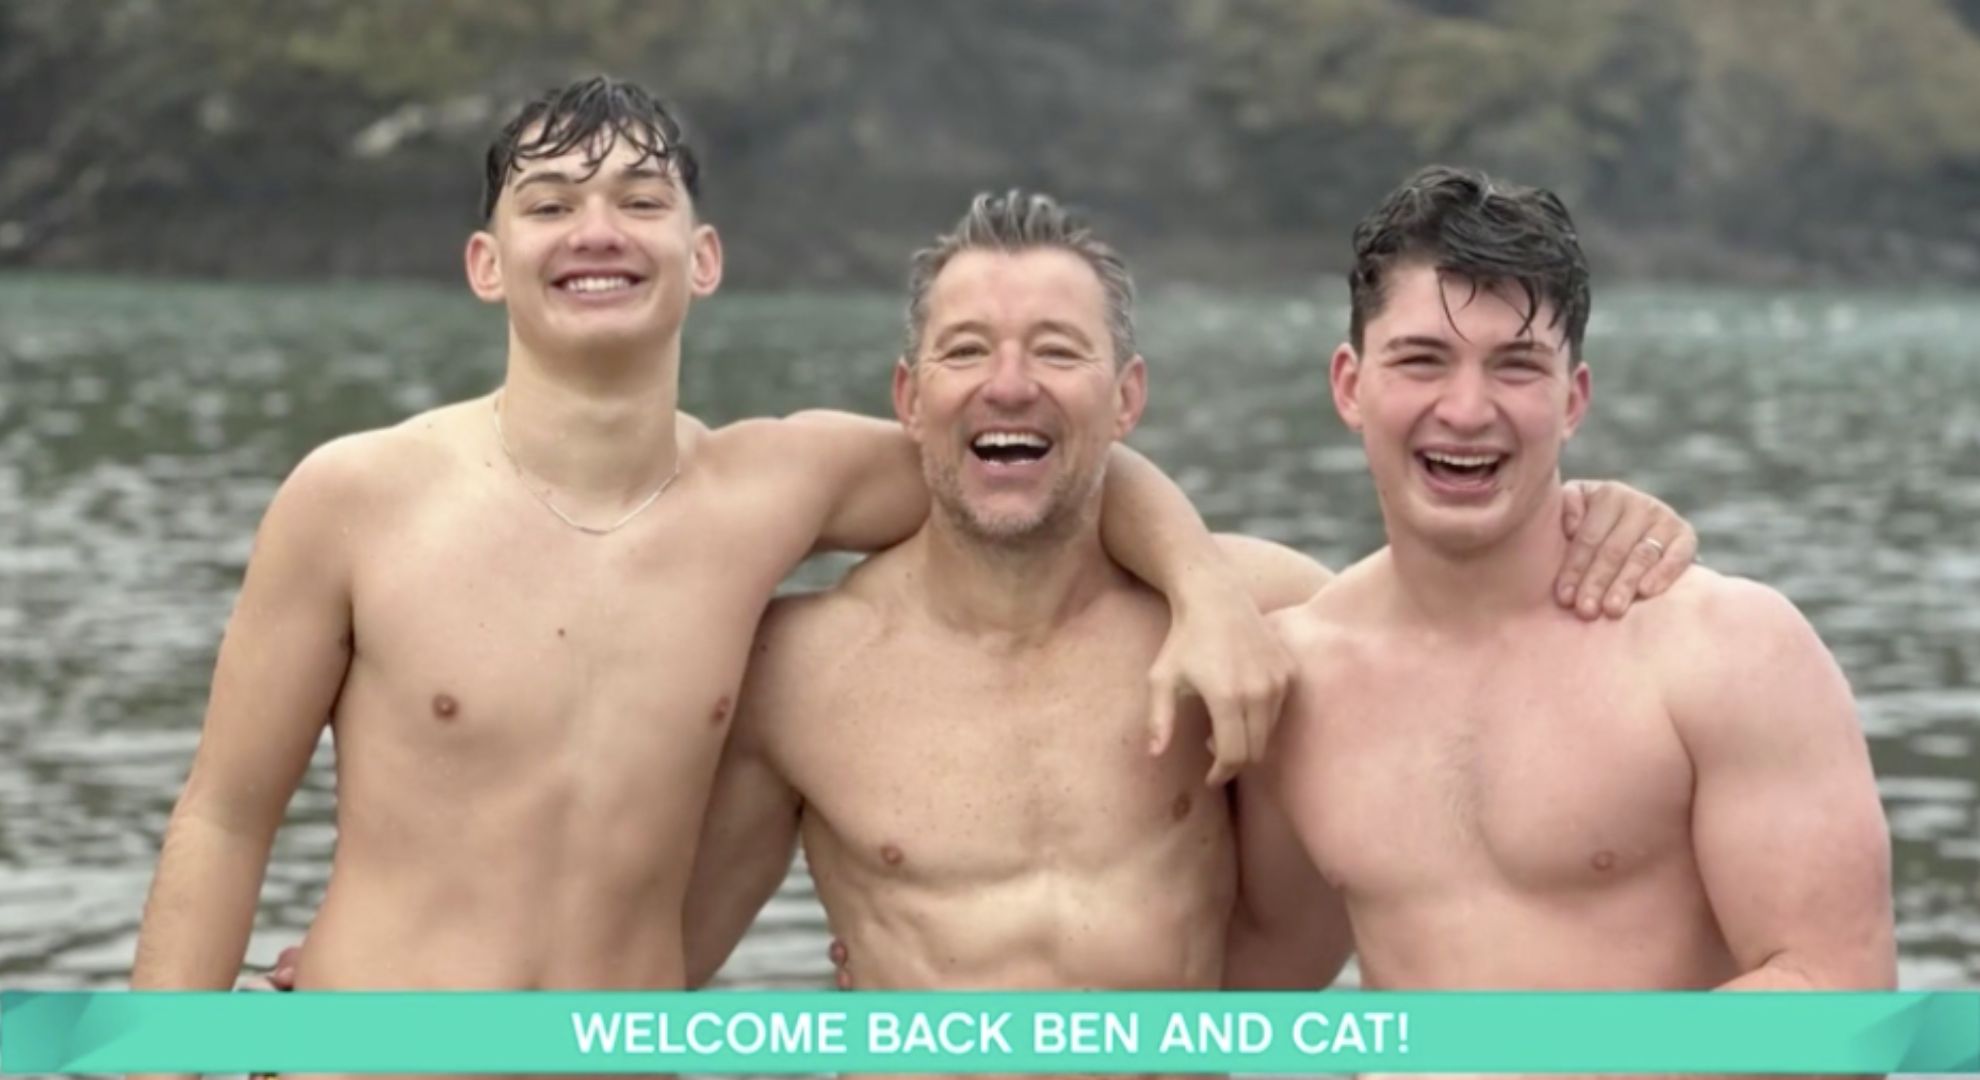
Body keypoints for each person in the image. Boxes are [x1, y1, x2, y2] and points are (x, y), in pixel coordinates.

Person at [127, 77, 1305, 1005]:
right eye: (548, 204)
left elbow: (1039, 454)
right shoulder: (354, 496)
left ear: (705, 257)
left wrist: (1202, 586)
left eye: (641, 200)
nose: (597, 230)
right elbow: (224, 818)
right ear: (487, 264)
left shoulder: (774, 491)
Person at [682, 189, 1695, 1003]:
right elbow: (654, 970)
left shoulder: (1276, 617)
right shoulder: (800, 668)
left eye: (1058, 350)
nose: (1009, 384)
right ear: (909, 399)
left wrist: (1587, 511)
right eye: (965, 351)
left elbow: (1475, 645)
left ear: (1127, 398)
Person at [1230, 166, 1895, 996]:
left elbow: (1838, 993)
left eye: (1515, 367)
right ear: (1349, 386)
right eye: (1422, 360)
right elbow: (1249, 995)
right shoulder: (1296, 683)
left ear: (1573, 398)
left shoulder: (1728, 651)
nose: (1467, 410)